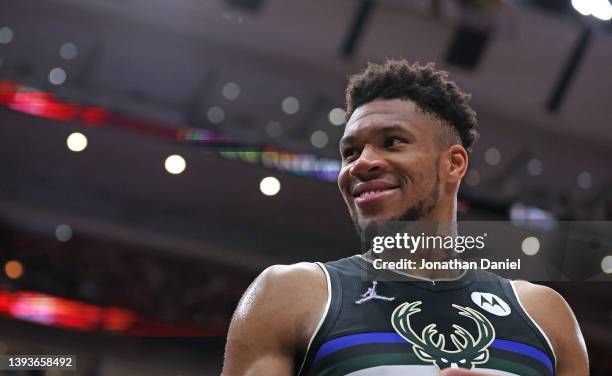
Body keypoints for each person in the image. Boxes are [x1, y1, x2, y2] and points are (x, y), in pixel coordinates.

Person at [222, 60, 588, 375]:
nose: (362, 163)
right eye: (350, 152)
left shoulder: (543, 315)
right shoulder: (291, 293)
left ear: (454, 163)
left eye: (393, 141)